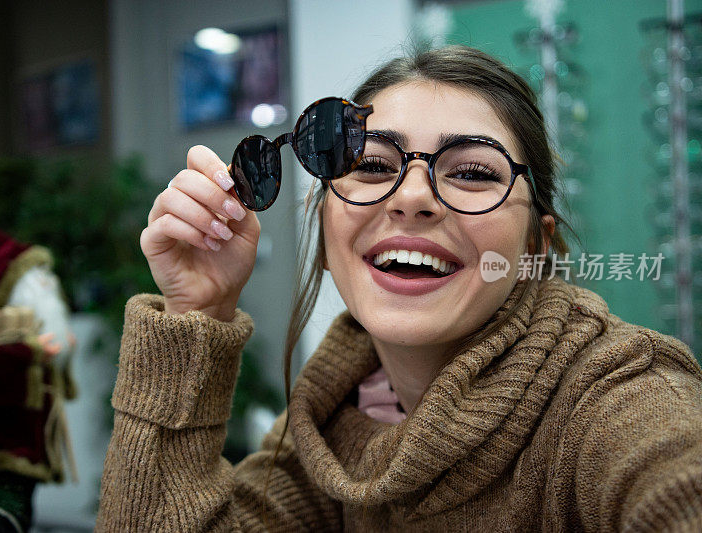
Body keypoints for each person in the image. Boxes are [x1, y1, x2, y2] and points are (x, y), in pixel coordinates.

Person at [96, 46, 702, 531]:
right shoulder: (333, 424)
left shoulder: (616, 400)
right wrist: (194, 311)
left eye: (471, 172)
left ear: (535, 248)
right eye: (374, 166)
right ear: (326, 228)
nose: (412, 197)